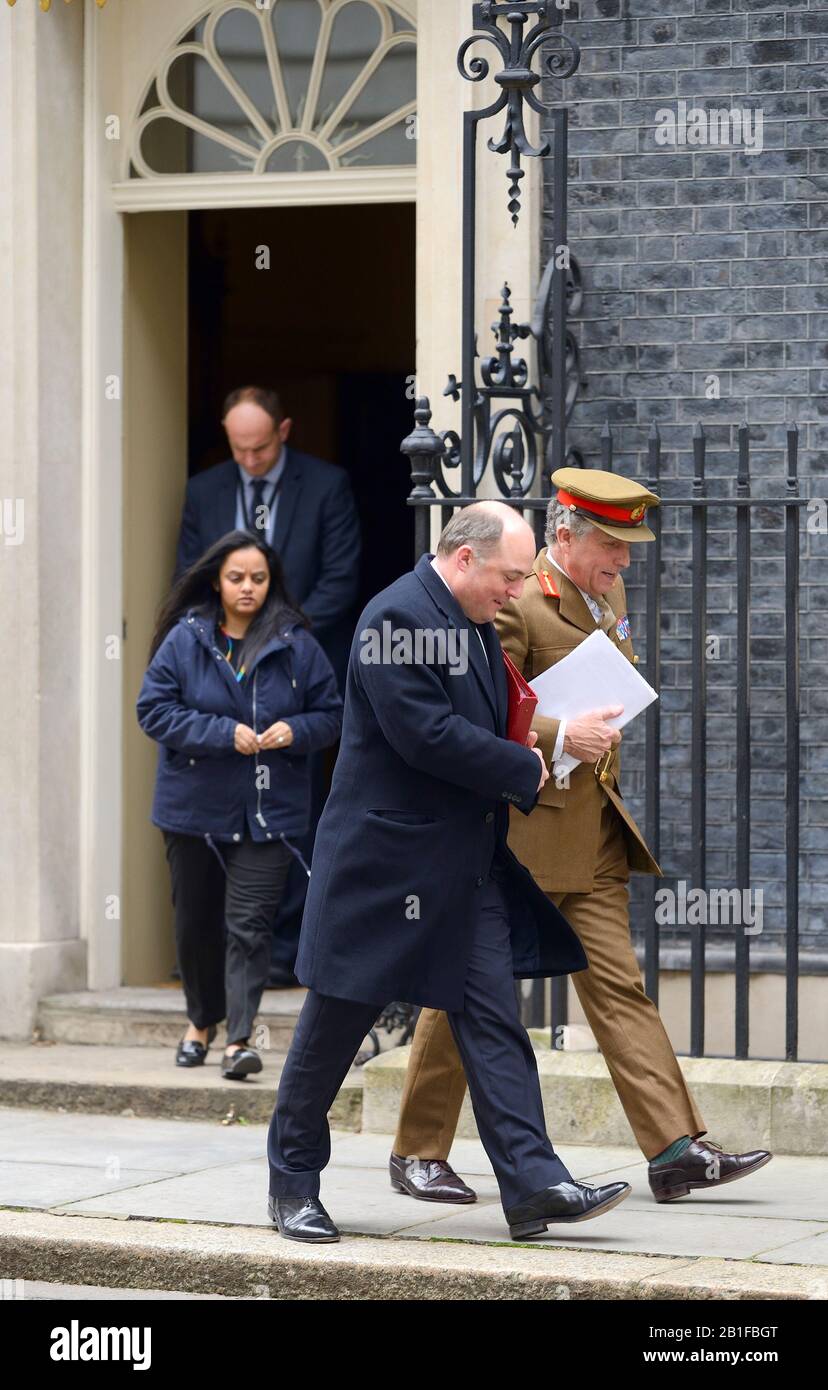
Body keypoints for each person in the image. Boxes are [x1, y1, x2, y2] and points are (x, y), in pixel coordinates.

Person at [390, 469, 772, 1206]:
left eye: (628, 548)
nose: (624, 563)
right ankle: (416, 1152)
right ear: (564, 535)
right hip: (520, 835)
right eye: (611, 545)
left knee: (619, 987)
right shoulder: (519, 603)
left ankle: (674, 1147)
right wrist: (566, 730)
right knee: (466, 988)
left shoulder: (608, 592)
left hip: (592, 830)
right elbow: (478, 702)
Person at [266, 501, 634, 1244]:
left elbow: (492, 714)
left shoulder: (467, 621)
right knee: (335, 1024)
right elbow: (426, 736)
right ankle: (292, 1184)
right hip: (384, 869)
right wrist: (528, 764)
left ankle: (534, 1186)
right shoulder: (396, 619)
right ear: (464, 558)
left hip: (464, 867)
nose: (516, 590)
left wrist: (538, 742)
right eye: (507, 576)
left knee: (496, 1023)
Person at [136, 531, 342, 1080]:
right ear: (216, 581)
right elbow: (153, 711)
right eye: (236, 578)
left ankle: (240, 1039)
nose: (248, 588)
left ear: (271, 581)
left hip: (268, 811)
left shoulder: (296, 642)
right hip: (193, 811)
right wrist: (223, 732)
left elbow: (333, 714)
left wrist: (292, 732)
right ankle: (201, 1023)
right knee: (196, 924)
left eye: (258, 578)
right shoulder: (185, 639)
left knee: (249, 924)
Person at [175, 385, 360, 985]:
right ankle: (218, 960)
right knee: (219, 800)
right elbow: (188, 578)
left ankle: (285, 951)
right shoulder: (204, 490)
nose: (249, 460)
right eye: (238, 449)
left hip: (298, 671)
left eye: (259, 448)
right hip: (217, 671)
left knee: (291, 806)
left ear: (283, 432)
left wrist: (276, 634)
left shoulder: (327, 484)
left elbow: (340, 579)